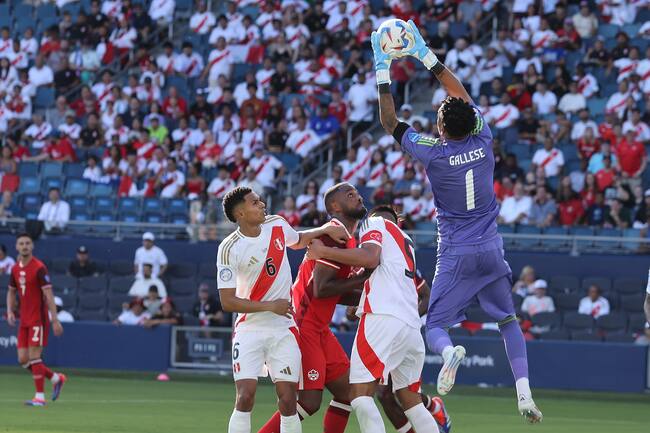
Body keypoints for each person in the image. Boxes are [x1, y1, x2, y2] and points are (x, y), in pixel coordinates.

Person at [372, 21, 541, 422]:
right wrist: (425, 54)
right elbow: (459, 93)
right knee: (508, 320)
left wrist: (383, 68)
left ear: (441, 128)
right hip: (490, 249)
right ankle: (524, 395)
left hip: (455, 252)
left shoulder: (433, 151)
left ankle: (449, 355)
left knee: (435, 325)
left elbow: (390, 123)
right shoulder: (483, 139)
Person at [217, 186, 350, 433]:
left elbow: (297, 240)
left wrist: (323, 230)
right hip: (249, 329)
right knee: (245, 397)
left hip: (283, 328)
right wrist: (271, 305)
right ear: (241, 214)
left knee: (289, 400)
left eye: (259, 200)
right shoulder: (229, 248)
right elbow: (227, 302)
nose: (262, 204)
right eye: (255, 202)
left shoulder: (276, 223)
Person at [306, 204, 450, 433]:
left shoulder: (374, 223)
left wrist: (324, 252)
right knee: (411, 400)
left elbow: (370, 258)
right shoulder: (406, 242)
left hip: (383, 318)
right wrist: (362, 301)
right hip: (411, 327)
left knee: (359, 395)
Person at [6, 233, 66, 406]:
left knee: (34, 357)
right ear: (16, 247)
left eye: (27, 243)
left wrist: (55, 320)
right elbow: (11, 291)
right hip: (24, 320)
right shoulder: (15, 269)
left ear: (32, 247)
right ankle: (56, 378)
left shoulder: (39, 267)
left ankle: (39, 397)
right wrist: (10, 311)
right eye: (21, 244)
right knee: (22, 359)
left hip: (38, 319)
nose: (24, 246)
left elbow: (49, 294)